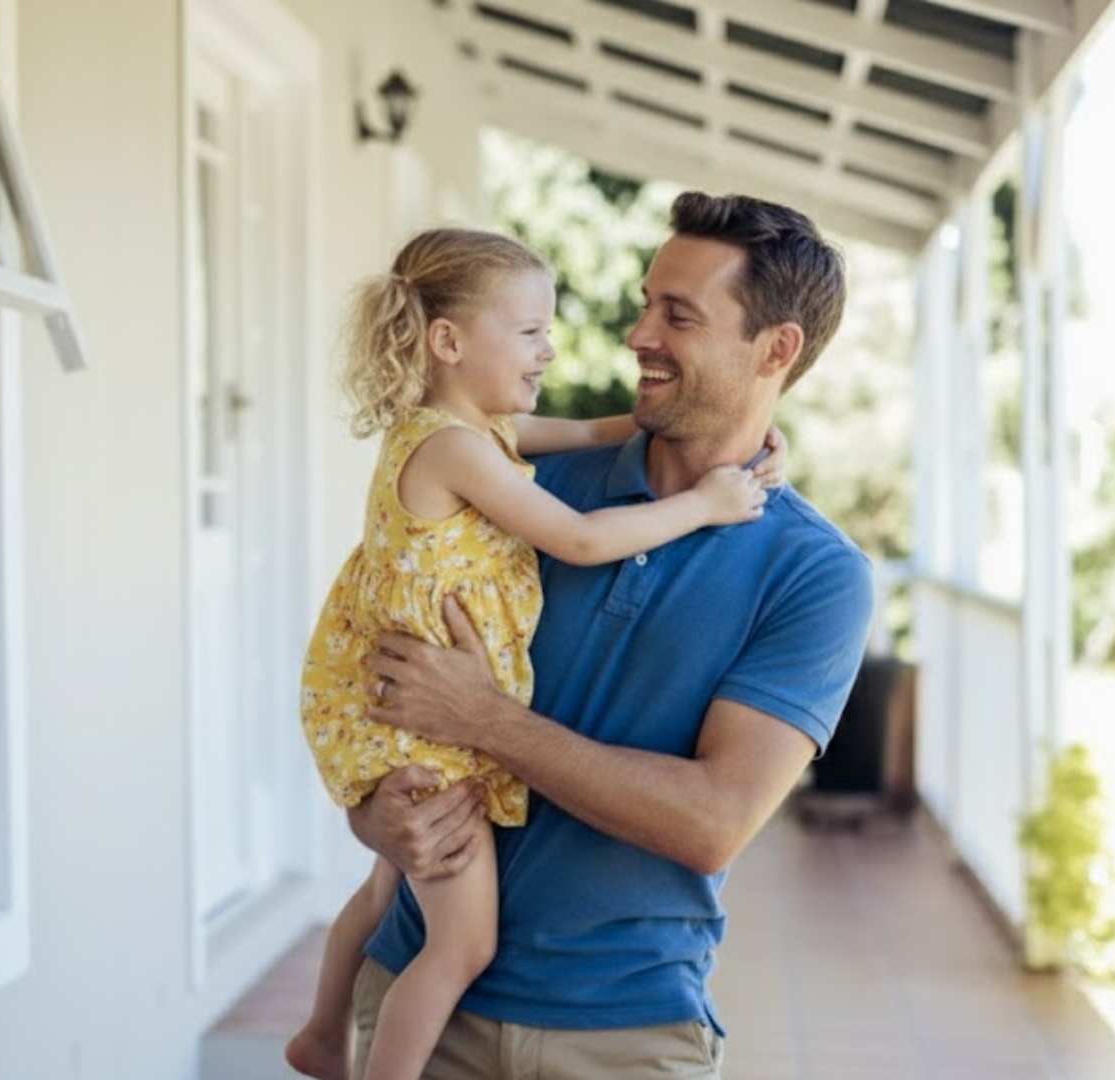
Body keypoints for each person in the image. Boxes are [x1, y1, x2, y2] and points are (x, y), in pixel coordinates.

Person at [349, 192, 875, 1079]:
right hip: (422, 1003)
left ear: (775, 350)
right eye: (644, 302)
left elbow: (713, 822)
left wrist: (488, 722)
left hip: (625, 1035)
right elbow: (373, 673)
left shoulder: (815, 573)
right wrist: (373, 818)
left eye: (678, 315)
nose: (638, 335)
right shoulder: (515, 480)